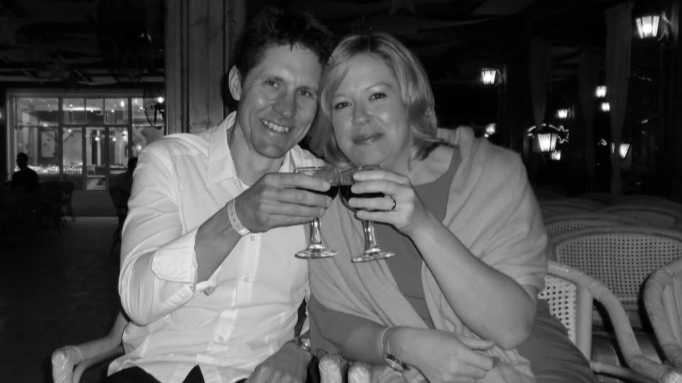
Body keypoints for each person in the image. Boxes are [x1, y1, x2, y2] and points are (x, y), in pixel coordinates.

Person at [307, 33, 596, 383]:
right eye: (342, 104)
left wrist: (422, 224)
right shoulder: (333, 203)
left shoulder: (493, 175)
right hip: (414, 371)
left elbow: (511, 327)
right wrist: (404, 344)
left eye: (377, 95)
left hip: (530, 366)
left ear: (409, 100)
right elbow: (335, 322)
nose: (361, 117)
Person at [108, 8, 334, 383]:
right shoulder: (168, 163)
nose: (287, 109)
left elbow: (334, 304)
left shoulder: (319, 184)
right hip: (157, 371)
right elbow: (138, 300)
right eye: (272, 84)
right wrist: (236, 218)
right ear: (237, 84)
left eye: (305, 92)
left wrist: (302, 350)